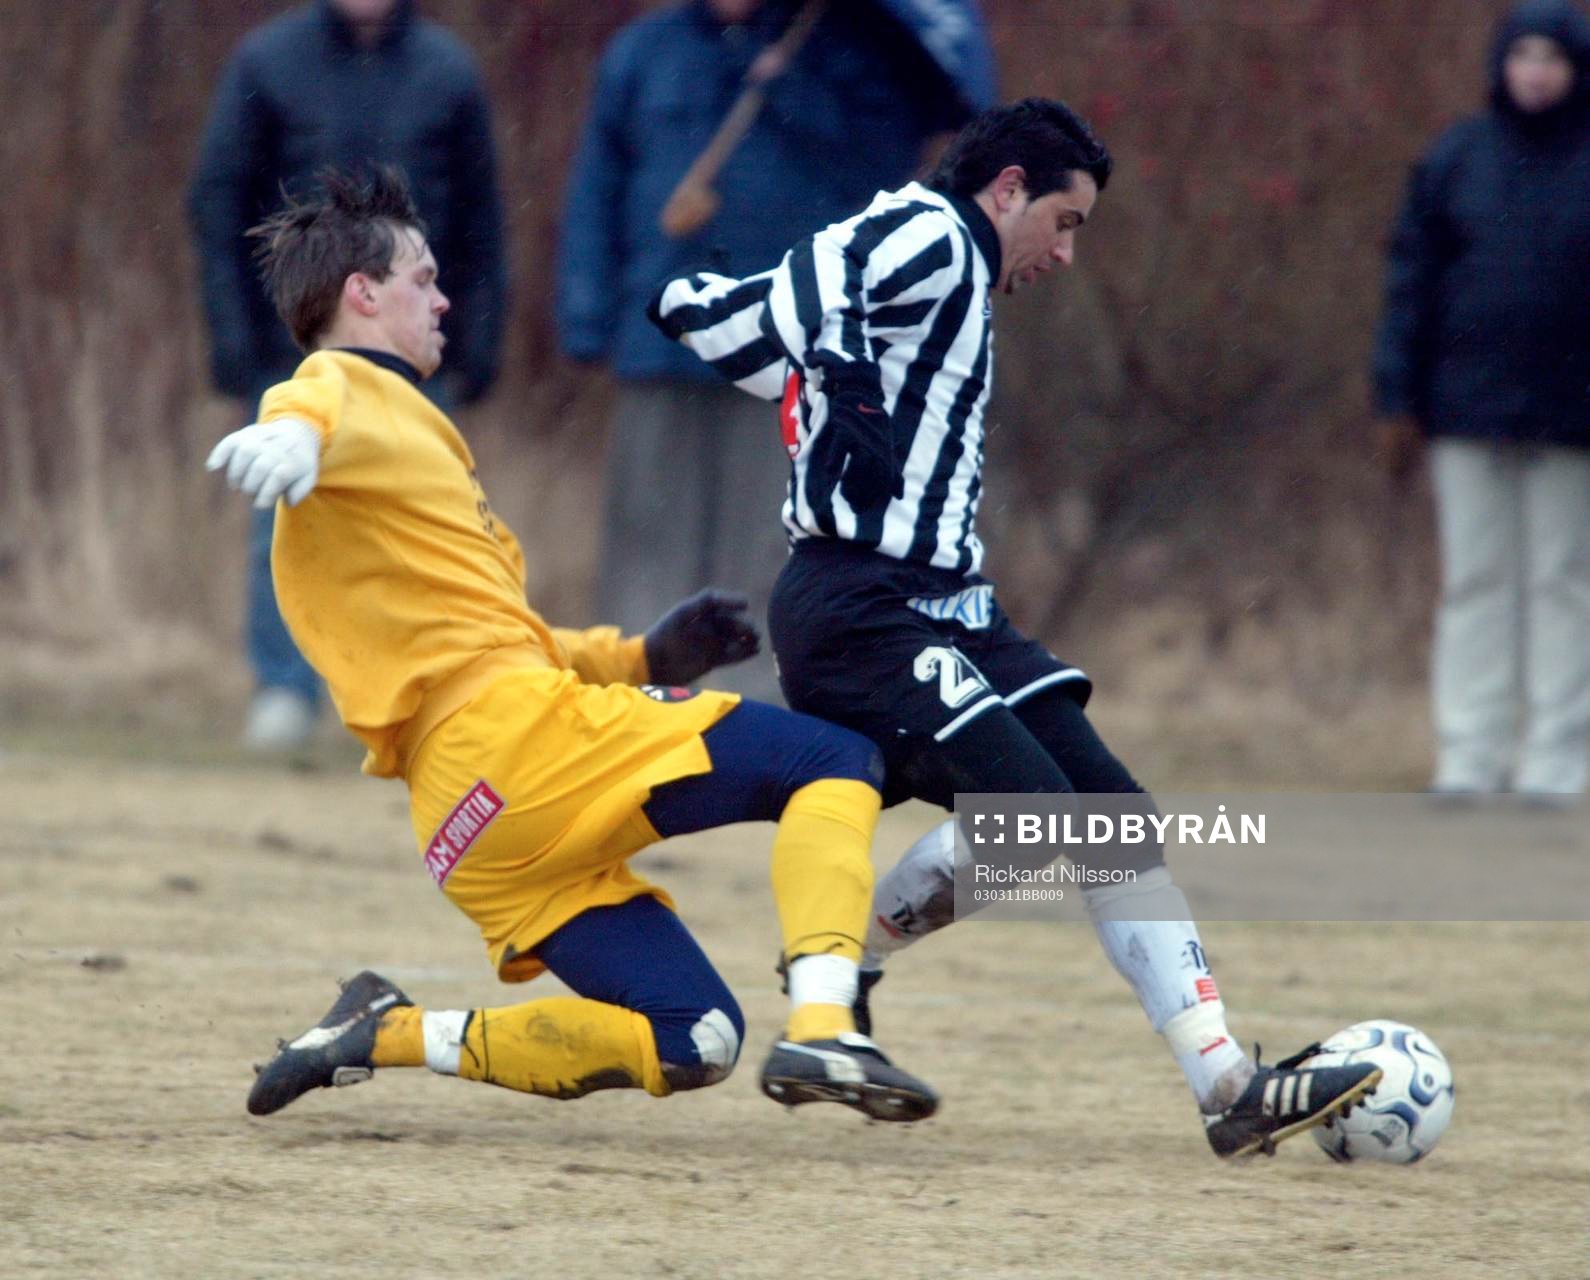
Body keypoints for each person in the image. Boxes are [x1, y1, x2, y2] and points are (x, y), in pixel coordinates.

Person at [651, 97, 1382, 1158]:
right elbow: (805, 283)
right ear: (1008, 191)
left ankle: (1228, 1082)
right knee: (1039, 814)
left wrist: (734, 317)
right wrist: (791, 340)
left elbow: (731, 315)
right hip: (860, 607)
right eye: (1066, 220)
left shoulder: (935, 289)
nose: (1068, 252)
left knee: (1112, 820)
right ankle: (842, 967)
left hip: (948, 604)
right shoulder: (937, 233)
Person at [206, 168, 937, 1124]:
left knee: (695, 1038)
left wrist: (641, 660)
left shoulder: (402, 444)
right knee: (834, 760)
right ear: (363, 294)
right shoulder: (344, 387)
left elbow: (501, 642)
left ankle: (382, 1031)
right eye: (423, 277)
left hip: (468, 819)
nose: (443, 296)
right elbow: (310, 403)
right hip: (520, 748)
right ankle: (827, 1027)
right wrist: (293, 438)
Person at [556, 0, 981, 705]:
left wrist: (794, 93)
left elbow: (886, 179)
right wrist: (585, 310)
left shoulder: (851, 53)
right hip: (660, 332)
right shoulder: (643, 52)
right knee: (647, 527)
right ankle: (640, 690)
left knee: (772, 533)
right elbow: (598, 187)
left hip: (787, 342)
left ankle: (758, 698)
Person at [189, 0, 507, 751]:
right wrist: (234, 337)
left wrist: (477, 336)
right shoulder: (267, 60)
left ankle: (422, 696)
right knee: (285, 512)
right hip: (290, 344)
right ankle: (285, 691)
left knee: (422, 524)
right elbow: (217, 201)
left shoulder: (447, 69)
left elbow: (482, 220)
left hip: (419, 351)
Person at [1373, 0, 1590, 803]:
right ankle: (1469, 756)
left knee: (1564, 585)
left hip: (1573, 419)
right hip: (1463, 411)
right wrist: (1396, 394)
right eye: (1523, 54)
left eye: (1552, 57)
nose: (1536, 71)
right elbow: (1410, 284)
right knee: (1475, 582)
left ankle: (1556, 765)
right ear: (1502, 63)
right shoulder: (1457, 157)